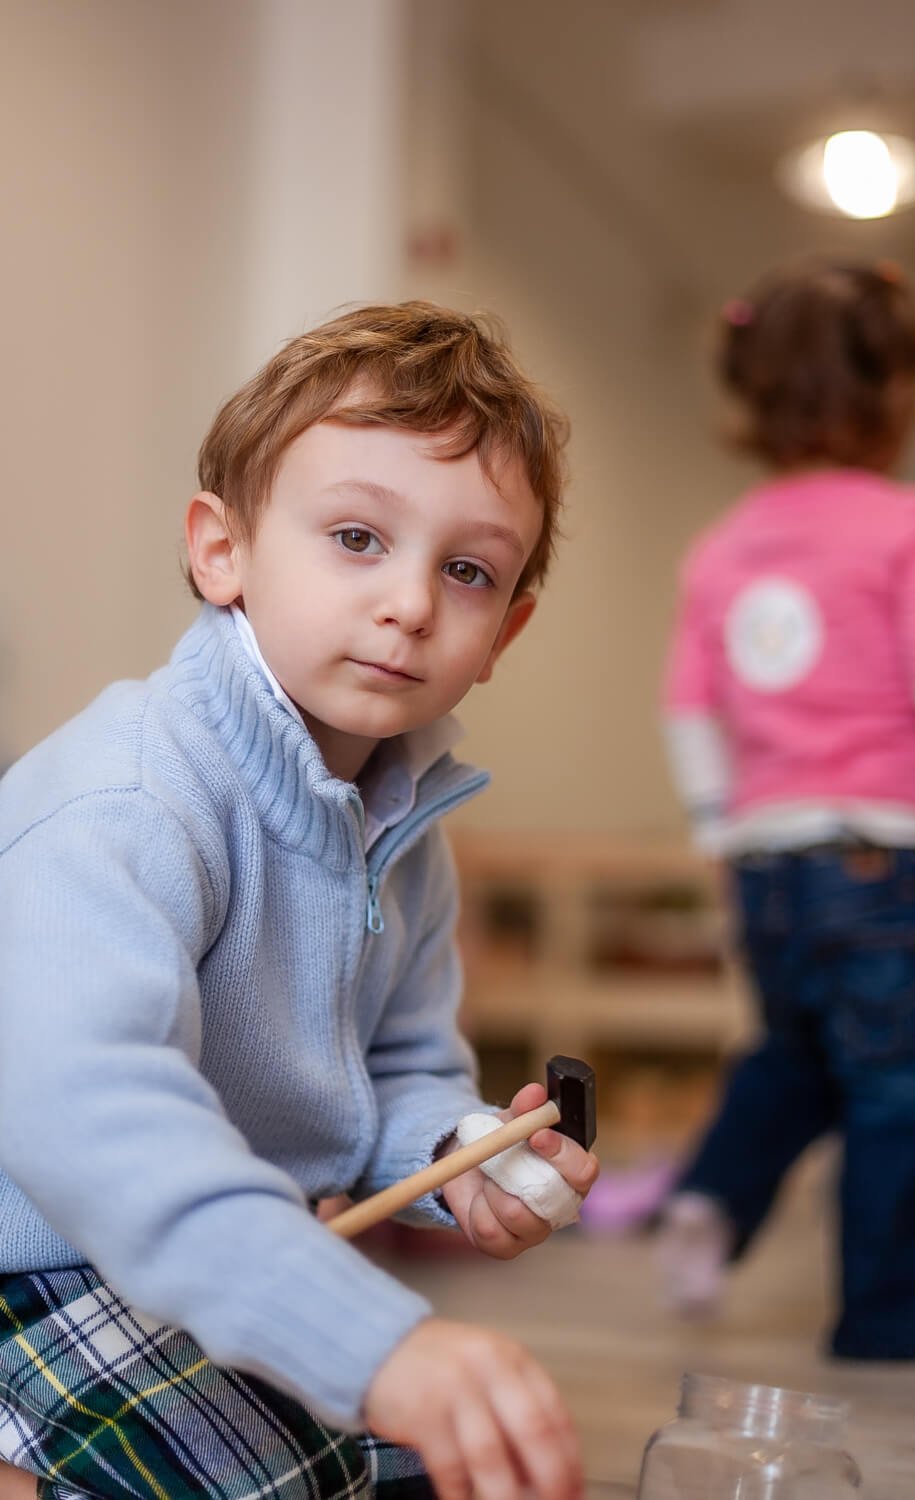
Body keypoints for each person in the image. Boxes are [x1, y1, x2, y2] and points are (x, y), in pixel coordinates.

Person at [0, 302, 598, 1500]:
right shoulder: (127, 799)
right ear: (222, 550)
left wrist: (462, 1149)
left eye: (467, 570)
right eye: (358, 539)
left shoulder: (401, 821)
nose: (412, 604)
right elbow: (95, 1124)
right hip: (51, 1261)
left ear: (506, 629)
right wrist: (375, 1343)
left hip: (212, 1252)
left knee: (441, 1465)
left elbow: (399, 1066)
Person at [658, 257, 915, 1365]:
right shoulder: (910, 524)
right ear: (895, 392)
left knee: (797, 1058)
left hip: (765, 867)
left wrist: (719, 829)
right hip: (879, 863)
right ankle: (886, 1330)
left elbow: (686, 704)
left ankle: (710, 1194)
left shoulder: (719, 547)